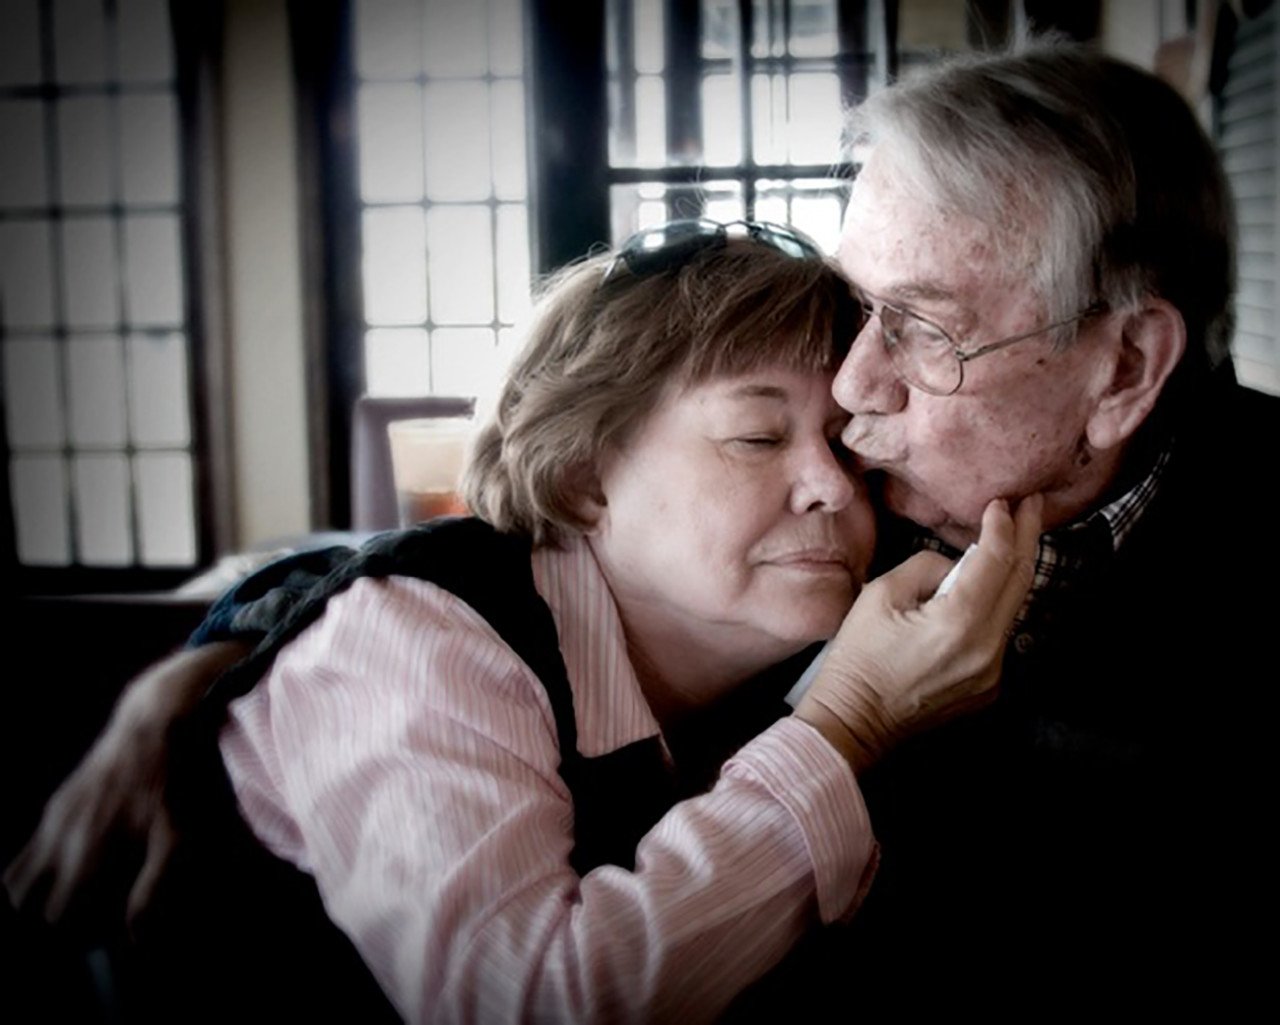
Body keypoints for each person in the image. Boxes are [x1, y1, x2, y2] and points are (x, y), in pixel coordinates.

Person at [5, 222, 1039, 1022]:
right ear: (584, 475)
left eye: (847, 446)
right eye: (755, 434)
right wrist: (845, 729)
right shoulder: (419, 640)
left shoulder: (846, 629)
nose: (826, 484)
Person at [776, 40, 1277, 1014]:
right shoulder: (824, 490)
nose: (847, 388)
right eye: (853, 305)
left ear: (1123, 369)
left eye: (918, 326)